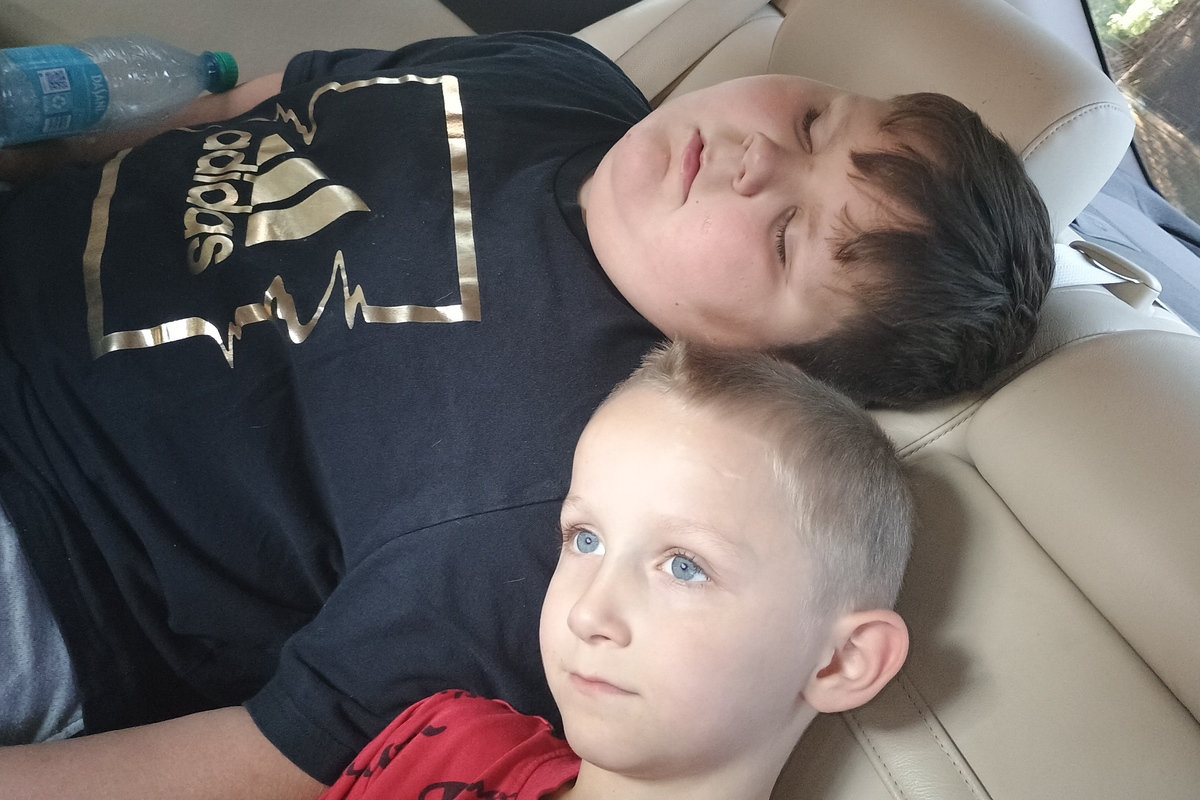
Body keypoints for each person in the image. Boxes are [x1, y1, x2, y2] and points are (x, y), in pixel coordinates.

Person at [0, 29, 1048, 800]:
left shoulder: (584, 485)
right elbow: (245, 106)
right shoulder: (558, 75)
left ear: (771, 363)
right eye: (816, 123)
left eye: (785, 239)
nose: (758, 158)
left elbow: (280, 751)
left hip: (46, 546)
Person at [317, 340, 912, 800]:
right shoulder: (445, 737)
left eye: (684, 567)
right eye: (586, 539)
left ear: (841, 660)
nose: (588, 613)